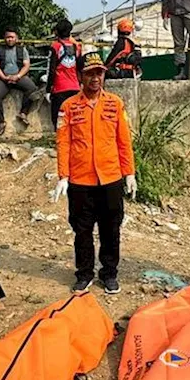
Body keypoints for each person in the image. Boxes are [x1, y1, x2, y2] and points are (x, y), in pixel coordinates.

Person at [51, 52, 136, 295]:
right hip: (80, 181)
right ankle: (84, 273)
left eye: (99, 72)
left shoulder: (115, 104)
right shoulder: (68, 107)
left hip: (110, 178)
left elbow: (123, 141)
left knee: (111, 229)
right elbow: (63, 143)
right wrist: (63, 176)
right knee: (82, 231)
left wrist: (129, 173)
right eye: (89, 73)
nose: (95, 78)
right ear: (80, 76)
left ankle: (109, 273)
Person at [0, 27, 36, 135]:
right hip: (3, 78)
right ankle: (1, 122)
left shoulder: (22, 50)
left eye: (12, 37)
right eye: (8, 37)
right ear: (4, 38)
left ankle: (23, 113)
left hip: (19, 77)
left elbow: (26, 65)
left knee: (32, 88)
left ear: (16, 38)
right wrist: (4, 78)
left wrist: (18, 76)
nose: (10, 39)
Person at [45, 19, 83, 129]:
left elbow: (51, 70)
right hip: (75, 87)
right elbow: (80, 67)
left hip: (59, 89)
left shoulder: (55, 47)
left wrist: (48, 90)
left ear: (56, 32)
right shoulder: (77, 47)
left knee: (58, 121)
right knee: (74, 119)